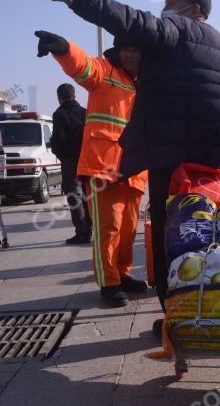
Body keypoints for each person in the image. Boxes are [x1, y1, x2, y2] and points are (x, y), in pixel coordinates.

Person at [48, 0, 220, 313]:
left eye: (172, 0)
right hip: (210, 161)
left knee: (170, 234)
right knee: (199, 230)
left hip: (167, 157)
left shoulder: (178, 31)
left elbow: (134, 22)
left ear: (195, 10)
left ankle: (176, 315)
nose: (165, 5)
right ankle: (205, 306)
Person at [37, 30, 149, 308]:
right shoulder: (104, 71)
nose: (130, 54)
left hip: (134, 169)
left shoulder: (146, 81)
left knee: (128, 229)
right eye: (125, 49)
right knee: (108, 228)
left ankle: (122, 275)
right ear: (118, 51)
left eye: (136, 50)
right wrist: (63, 48)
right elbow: (82, 65)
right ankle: (108, 283)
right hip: (104, 167)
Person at [50, 83, 92, 245]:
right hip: (87, 159)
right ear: (74, 96)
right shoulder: (86, 112)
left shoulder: (60, 114)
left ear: (59, 98)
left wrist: (62, 156)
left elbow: (58, 139)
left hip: (70, 161)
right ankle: (90, 227)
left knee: (74, 196)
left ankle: (82, 232)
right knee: (88, 194)